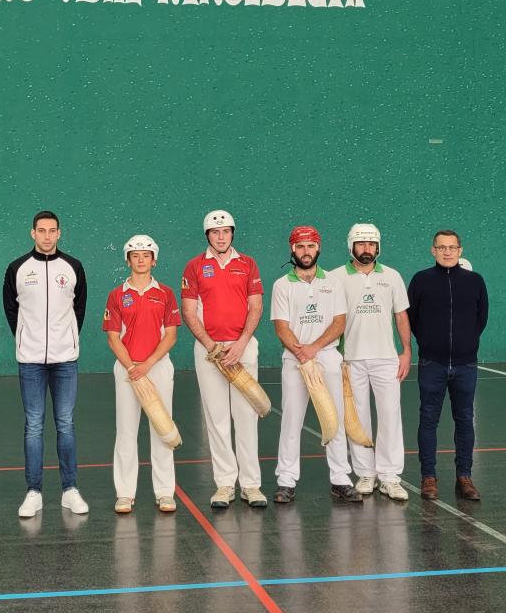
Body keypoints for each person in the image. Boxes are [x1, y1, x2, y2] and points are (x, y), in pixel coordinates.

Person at [3, 210, 89, 518]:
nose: (47, 236)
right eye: (42, 230)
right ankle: (33, 492)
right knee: (34, 425)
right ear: (33, 233)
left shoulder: (73, 267)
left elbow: (79, 308)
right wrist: (28, 338)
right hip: (30, 361)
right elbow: (11, 310)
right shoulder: (17, 268)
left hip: (65, 360)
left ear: (59, 233)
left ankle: (70, 490)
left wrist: (66, 339)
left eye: (52, 230)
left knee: (65, 423)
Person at [181, 210, 267, 509]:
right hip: (209, 352)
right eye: (215, 232)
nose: (221, 237)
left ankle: (251, 485)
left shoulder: (248, 264)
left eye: (226, 231)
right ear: (207, 235)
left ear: (232, 233)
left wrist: (241, 344)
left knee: (246, 416)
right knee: (216, 419)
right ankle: (225, 484)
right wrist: (211, 346)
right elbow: (189, 311)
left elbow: (256, 306)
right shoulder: (194, 266)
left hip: (243, 348)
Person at [271, 225, 361, 504]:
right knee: (291, 420)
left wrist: (314, 348)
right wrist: (301, 352)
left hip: (327, 357)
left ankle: (340, 478)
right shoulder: (282, 285)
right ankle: (286, 481)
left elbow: (339, 322)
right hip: (294, 359)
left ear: (318, 248)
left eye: (310, 246)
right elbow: (281, 326)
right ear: (292, 250)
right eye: (300, 247)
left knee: (335, 418)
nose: (306, 251)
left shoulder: (333, 282)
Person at [331, 223, 412, 501]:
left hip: (386, 359)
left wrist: (406, 351)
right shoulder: (336, 277)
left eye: (371, 244)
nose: (367, 249)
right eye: (361, 244)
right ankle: (366, 473)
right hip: (350, 360)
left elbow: (401, 316)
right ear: (351, 246)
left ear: (378, 247)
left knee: (390, 415)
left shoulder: (392, 276)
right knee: (358, 419)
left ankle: (390, 476)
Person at [408, 230, 489, 501]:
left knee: (465, 420)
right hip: (432, 363)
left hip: (466, 365)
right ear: (433, 250)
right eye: (441, 247)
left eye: (452, 247)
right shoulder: (421, 280)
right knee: (428, 419)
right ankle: (428, 477)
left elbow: (481, 318)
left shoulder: (475, 281)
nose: (447, 252)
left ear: (460, 251)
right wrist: (430, 343)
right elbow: (412, 319)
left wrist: (466, 343)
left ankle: (464, 476)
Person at [103, 235, 181, 514]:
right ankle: (125, 493)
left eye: (146, 255)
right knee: (126, 431)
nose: (140, 260)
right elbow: (113, 337)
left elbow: (171, 335)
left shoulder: (166, 293)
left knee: (162, 428)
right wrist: (132, 367)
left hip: (157, 367)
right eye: (135, 255)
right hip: (127, 369)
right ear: (128, 260)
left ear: (154, 260)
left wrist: (148, 364)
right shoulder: (116, 295)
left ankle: (165, 492)